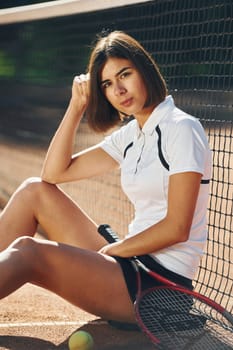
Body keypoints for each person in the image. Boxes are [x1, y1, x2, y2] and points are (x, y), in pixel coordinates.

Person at [0, 31, 212, 327]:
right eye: (107, 84)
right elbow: (54, 174)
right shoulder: (132, 134)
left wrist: (115, 249)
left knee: (29, 251)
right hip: (127, 262)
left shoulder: (182, 129)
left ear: (145, 70)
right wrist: (76, 108)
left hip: (157, 287)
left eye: (125, 74)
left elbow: (177, 228)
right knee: (34, 190)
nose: (119, 90)